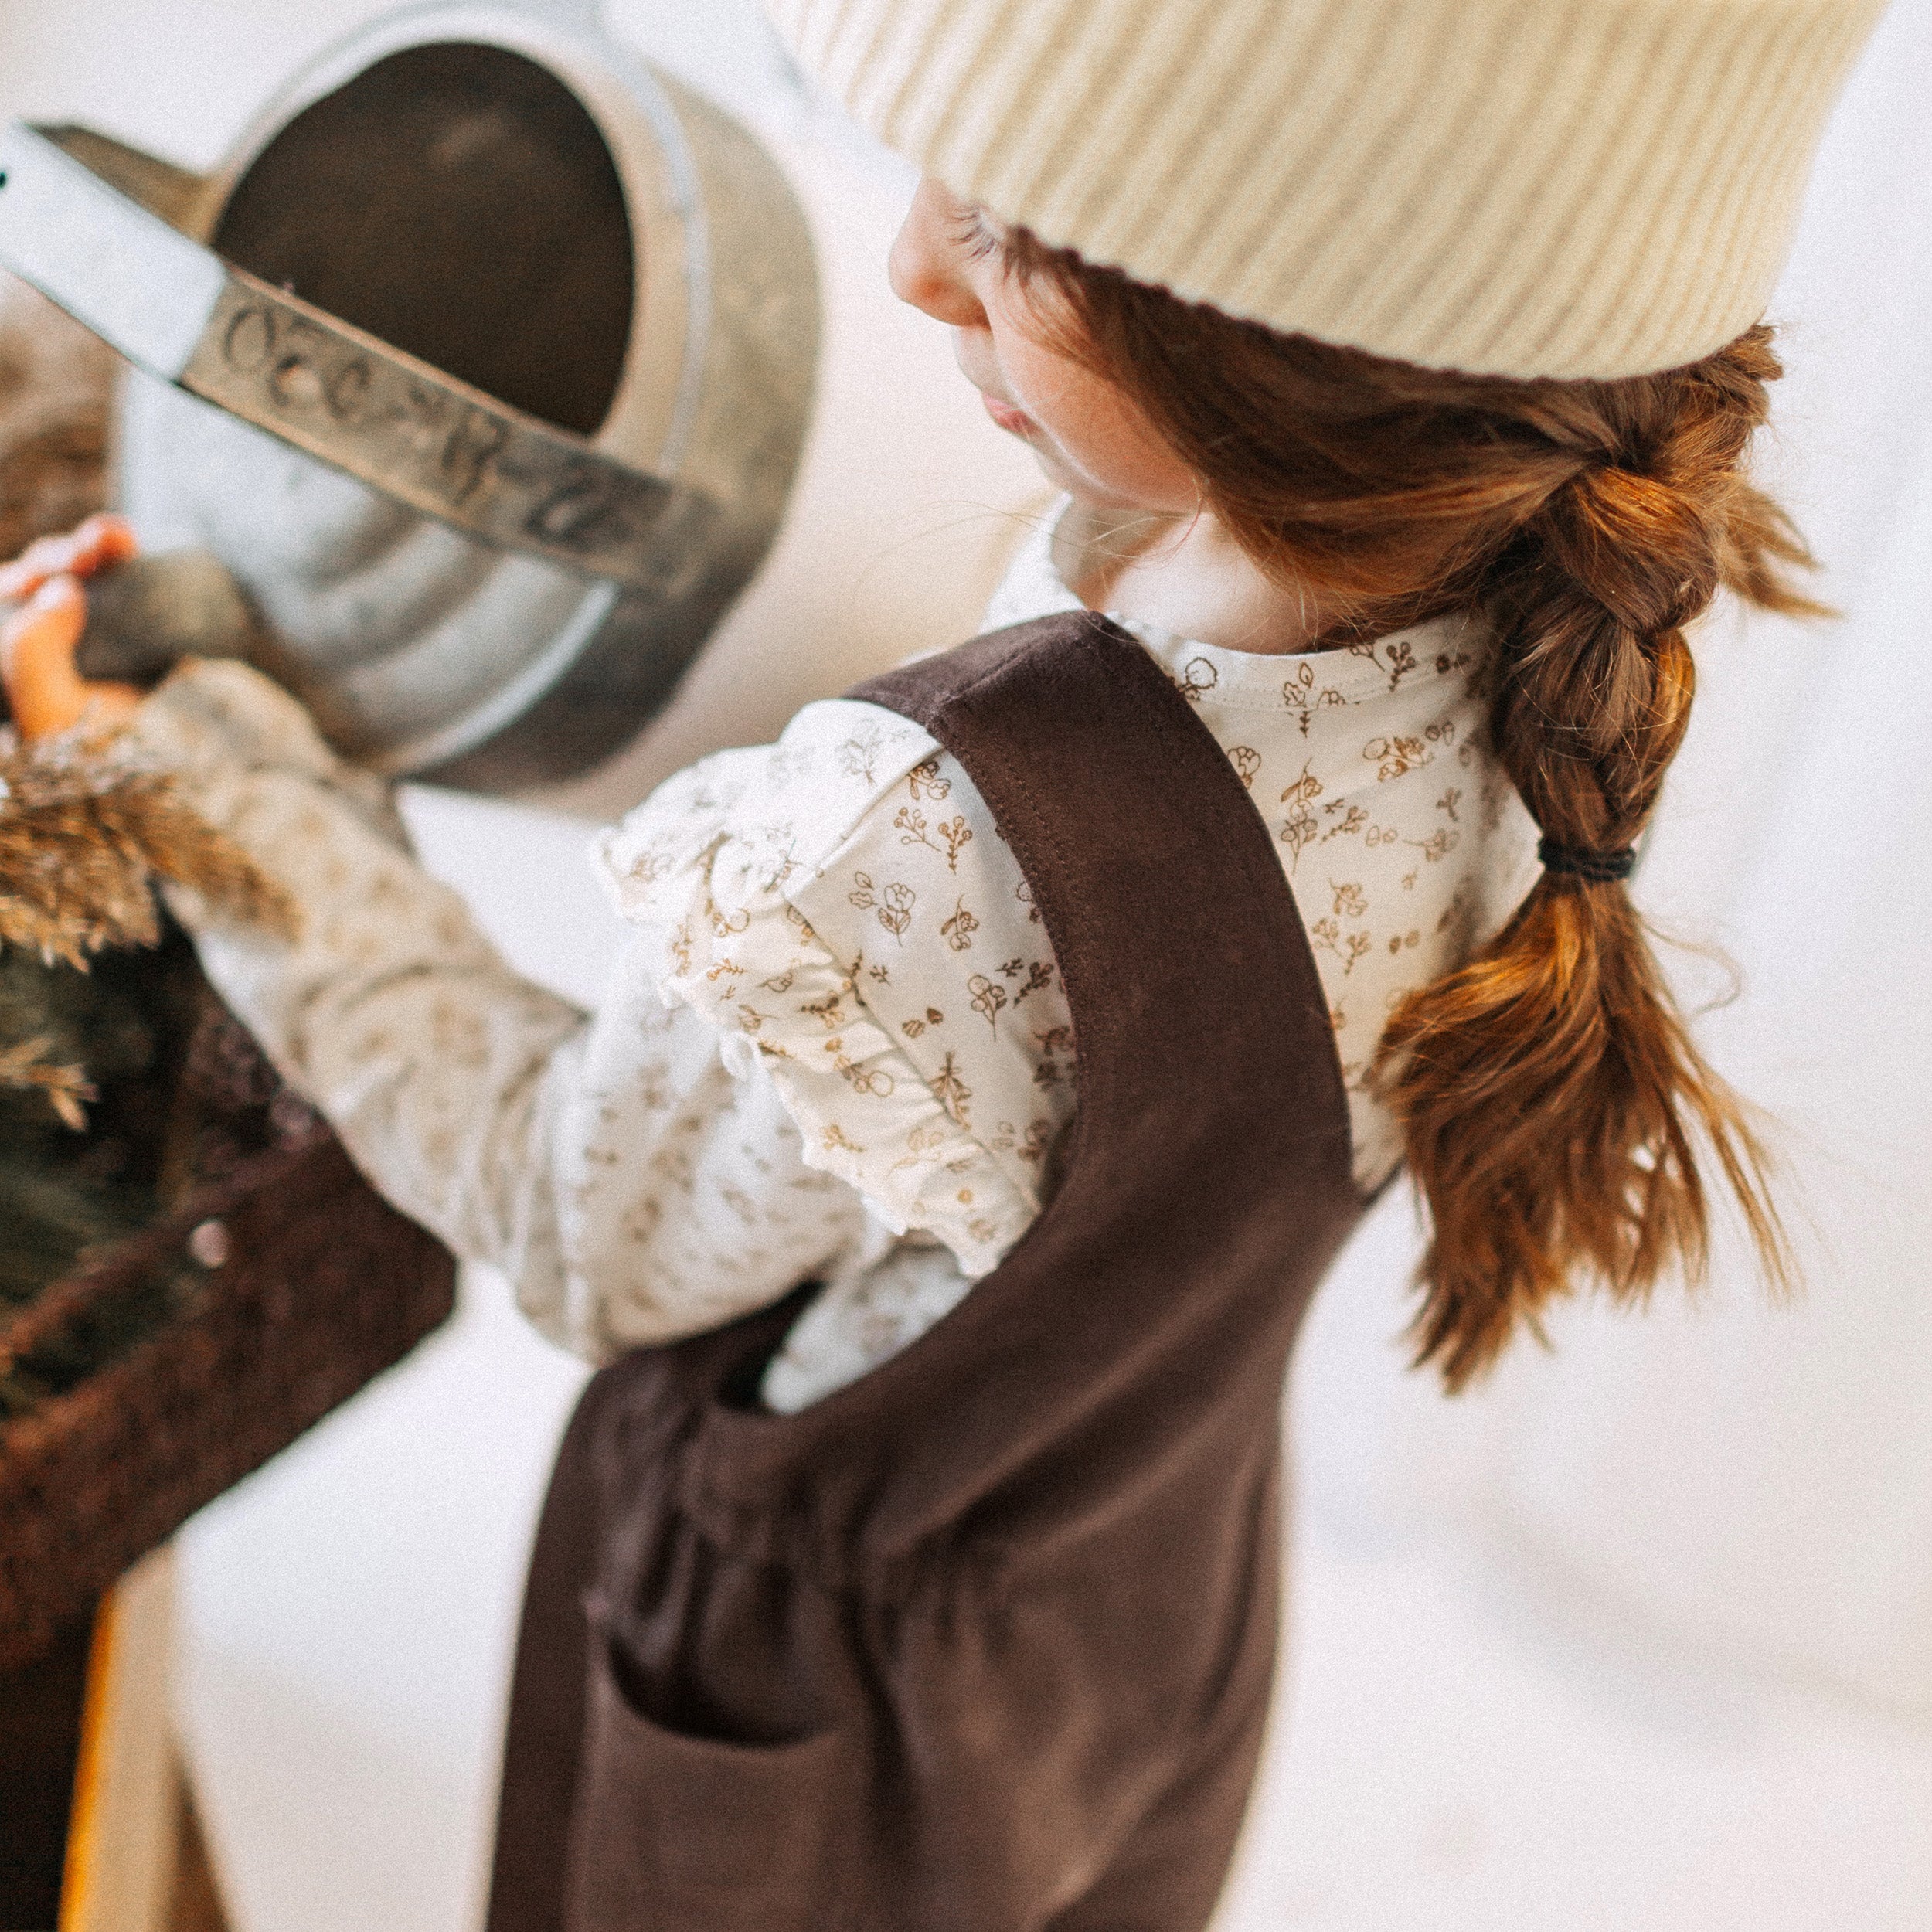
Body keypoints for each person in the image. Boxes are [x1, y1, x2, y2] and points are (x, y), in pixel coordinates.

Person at [0, 0, 1883, 1923]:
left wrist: (202, 781)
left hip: (800, 1730)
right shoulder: (1553, 603)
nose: (909, 261)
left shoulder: (911, 844)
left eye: (1011, 227)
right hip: (1133, 1604)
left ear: (1270, 345)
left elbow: (578, 1215)